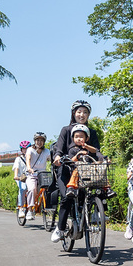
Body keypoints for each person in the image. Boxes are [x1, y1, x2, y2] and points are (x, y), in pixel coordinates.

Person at [50, 101, 103, 243]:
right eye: (79, 112)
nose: (82, 115)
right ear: (74, 113)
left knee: (99, 190)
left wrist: (102, 159)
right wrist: (57, 158)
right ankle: (60, 228)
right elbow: (59, 149)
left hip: (85, 169)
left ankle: (95, 215)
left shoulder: (91, 132)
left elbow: (97, 151)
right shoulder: (66, 130)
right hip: (67, 168)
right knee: (67, 197)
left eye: (85, 112)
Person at [63, 124, 102, 196]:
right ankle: (71, 187)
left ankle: (107, 188)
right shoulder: (72, 149)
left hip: (90, 170)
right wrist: (78, 155)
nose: (79, 139)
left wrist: (87, 147)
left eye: (81, 137)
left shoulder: (88, 148)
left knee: (101, 169)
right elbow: (72, 160)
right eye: (76, 137)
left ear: (86, 138)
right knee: (76, 170)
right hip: (79, 171)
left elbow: (95, 151)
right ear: (73, 139)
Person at [25, 131, 51, 220]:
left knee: (49, 189)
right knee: (32, 189)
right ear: (34, 141)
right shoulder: (30, 150)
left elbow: (52, 160)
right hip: (31, 174)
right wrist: (29, 168)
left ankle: (47, 206)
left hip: (42, 175)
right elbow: (28, 159)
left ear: (44, 142)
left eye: (41, 140)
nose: (39, 142)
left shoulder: (47, 151)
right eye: (37, 140)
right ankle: (30, 210)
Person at [13, 140, 31, 219]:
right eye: (24, 149)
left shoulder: (31, 157)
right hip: (21, 178)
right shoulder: (18, 159)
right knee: (23, 188)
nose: (25, 150)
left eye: (27, 148)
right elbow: (16, 168)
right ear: (21, 150)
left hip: (30, 177)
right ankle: (21, 208)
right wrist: (16, 176)